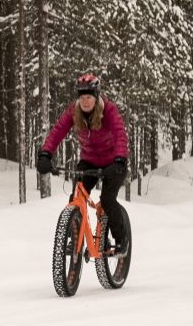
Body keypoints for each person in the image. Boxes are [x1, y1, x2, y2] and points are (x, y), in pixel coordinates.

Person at [36, 73, 130, 253]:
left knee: (107, 200)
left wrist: (120, 160)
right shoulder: (74, 111)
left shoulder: (108, 110)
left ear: (96, 96)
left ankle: (121, 240)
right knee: (77, 196)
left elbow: (120, 134)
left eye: (89, 97)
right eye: (82, 97)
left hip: (113, 163)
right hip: (89, 162)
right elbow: (57, 132)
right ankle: (74, 239)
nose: (85, 101)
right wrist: (46, 154)